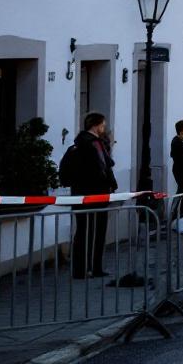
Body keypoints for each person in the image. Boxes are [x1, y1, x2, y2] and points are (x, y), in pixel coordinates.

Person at [68, 112, 117, 279]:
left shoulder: (81, 142)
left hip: (82, 193)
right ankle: (91, 268)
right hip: (95, 193)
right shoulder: (92, 143)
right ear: (96, 125)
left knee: (84, 230)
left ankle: (87, 268)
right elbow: (104, 165)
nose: (104, 128)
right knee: (93, 231)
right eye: (102, 125)